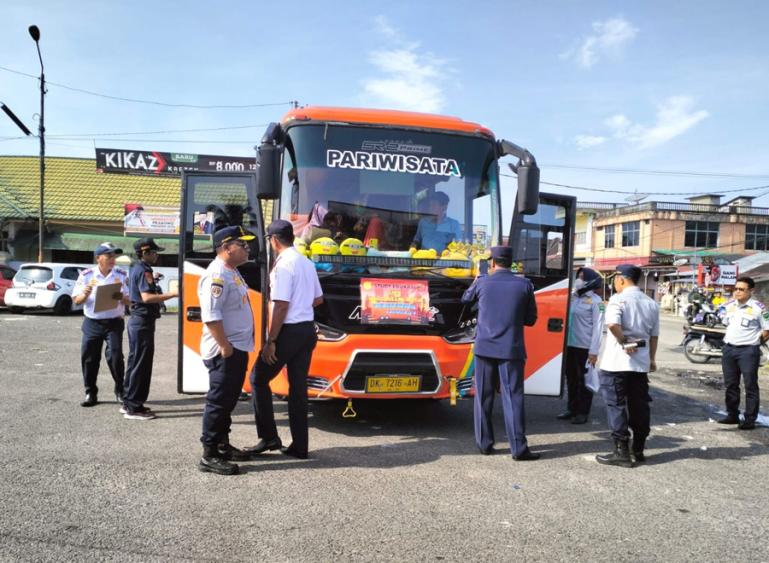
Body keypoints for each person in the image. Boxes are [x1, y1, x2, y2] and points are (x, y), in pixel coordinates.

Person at [247, 219, 323, 460]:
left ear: (274, 240)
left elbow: (280, 306)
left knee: (258, 379)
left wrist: (271, 340)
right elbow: (318, 299)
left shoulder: (282, 266)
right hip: (306, 331)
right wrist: (301, 305)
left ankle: (269, 436)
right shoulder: (307, 263)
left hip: (288, 332)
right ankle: (300, 446)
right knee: (298, 389)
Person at [461, 246, 539, 461]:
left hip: (484, 348)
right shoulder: (524, 284)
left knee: (483, 397)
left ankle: (485, 444)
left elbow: (465, 300)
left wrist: (477, 279)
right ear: (511, 262)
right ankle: (518, 449)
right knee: (513, 396)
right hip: (511, 349)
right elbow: (531, 319)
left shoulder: (483, 282)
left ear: (492, 262)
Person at [197, 226, 257, 475]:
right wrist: (225, 346)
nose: (246, 248)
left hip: (236, 347)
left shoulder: (232, 271)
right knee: (218, 402)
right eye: (242, 245)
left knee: (229, 400)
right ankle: (209, 454)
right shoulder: (217, 276)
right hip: (225, 350)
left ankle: (222, 444)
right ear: (226, 247)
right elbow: (211, 316)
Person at [596, 264, 659, 468]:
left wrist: (623, 341)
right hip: (640, 364)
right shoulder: (650, 303)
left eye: (615, 279)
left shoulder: (617, 299)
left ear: (621, 279)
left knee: (616, 405)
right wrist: (651, 359)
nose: (615, 283)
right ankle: (638, 449)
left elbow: (613, 324)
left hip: (616, 363)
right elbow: (654, 335)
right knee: (639, 405)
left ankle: (621, 452)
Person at [122, 238, 178, 421]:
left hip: (137, 321)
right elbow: (146, 297)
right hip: (142, 322)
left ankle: (129, 401)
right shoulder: (144, 270)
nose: (157, 255)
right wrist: (173, 294)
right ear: (145, 253)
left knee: (135, 362)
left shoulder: (136, 268)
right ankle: (134, 407)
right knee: (141, 364)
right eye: (154, 252)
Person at [72, 243, 130, 407]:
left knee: (116, 356)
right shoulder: (86, 275)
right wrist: (85, 294)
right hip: (92, 322)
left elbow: (130, 301)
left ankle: (120, 391)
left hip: (114, 322)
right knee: (89, 358)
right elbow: (76, 300)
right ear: (99, 258)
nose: (113, 260)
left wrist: (121, 298)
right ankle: (90, 392)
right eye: (109, 256)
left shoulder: (121, 274)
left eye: (114, 256)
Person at [717, 276, 769, 430]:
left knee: (750, 385)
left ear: (751, 291)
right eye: (736, 288)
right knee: (731, 384)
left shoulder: (759, 308)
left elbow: (767, 330)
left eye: (741, 289)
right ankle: (732, 414)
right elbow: (724, 322)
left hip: (748, 351)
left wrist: (753, 344)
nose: (737, 292)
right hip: (729, 349)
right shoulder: (729, 306)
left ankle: (750, 419)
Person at [558, 267, 604, 424]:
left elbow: (598, 328)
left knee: (584, 380)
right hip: (570, 345)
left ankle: (583, 412)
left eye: (583, 277)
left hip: (585, 347)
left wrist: (594, 351)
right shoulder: (573, 297)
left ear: (590, 280)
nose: (579, 280)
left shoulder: (596, 302)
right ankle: (572, 409)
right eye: (578, 276)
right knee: (570, 378)